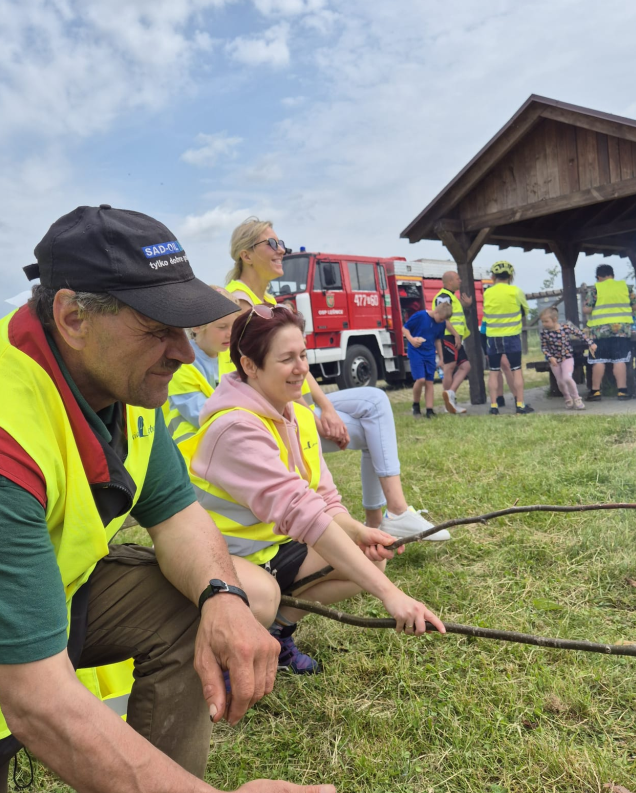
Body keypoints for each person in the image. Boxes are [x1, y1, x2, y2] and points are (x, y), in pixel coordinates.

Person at [0, 205, 340, 793]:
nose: (183, 352)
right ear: (72, 317)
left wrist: (223, 598)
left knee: (194, 600)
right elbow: (39, 703)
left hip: (39, 621)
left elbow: (176, 515)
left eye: (183, 326)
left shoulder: (121, 383)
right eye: (157, 328)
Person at [186, 303, 446, 676]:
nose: (301, 368)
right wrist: (391, 595)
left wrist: (358, 531)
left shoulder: (299, 415)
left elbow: (324, 501)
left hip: (273, 548)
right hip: (223, 556)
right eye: (286, 359)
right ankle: (224, 660)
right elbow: (304, 515)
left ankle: (277, 635)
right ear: (249, 366)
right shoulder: (235, 427)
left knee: (369, 557)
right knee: (262, 596)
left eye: (303, 355)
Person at [225, 217, 449, 542]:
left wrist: (326, 408)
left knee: (376, 399)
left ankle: (388, 517)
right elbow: (262, 382)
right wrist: (311, 417)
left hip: (294, 405)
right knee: (374, 428)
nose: (282, 250)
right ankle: (386, 519)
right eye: (272, 244)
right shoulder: (239, 304)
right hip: (269, 417)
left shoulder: (271, 303)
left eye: (281, 242)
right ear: (245, 254)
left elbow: (299, 367)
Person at [165, 287, 241, 452]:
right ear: (197, 326)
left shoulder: (232, 356)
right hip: (189, 451)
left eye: (233, 326)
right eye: (222, 327)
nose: (230, 333)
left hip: (224, 441)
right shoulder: (180, 363)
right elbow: (200, 413)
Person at [481, 261, 534, 415]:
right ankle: (520, 405)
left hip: (493, 337)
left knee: (493, 371)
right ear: (510, 276)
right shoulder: (516, 291)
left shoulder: (488, 293)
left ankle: (494, 406)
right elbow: (525, 310)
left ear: (493, 276)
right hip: (512, 336)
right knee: (516, 370)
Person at [582, 264, 636, 402]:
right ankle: (622, 391)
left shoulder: (595, 289)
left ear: (598, 277)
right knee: (620, 360)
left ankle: (595, 392)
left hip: (599, 331)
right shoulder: (626, 287)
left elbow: (587, 310)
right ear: (612, 275)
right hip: (621, 330)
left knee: (599, 360)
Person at [538, 306, 597, 410]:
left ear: (555, 319)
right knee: (560, 381)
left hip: (567, 358)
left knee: (567, 378)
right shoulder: (544, 332)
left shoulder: (565, 328)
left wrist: (590, 343)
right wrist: (550, 357)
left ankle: (577, 398)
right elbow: (544, 347)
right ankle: (567, 398)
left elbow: (580, 334)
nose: (544, 324)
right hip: (554, 361)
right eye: (542, 322)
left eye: (546, 321)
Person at [431, 270, 472, 414]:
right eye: (457, 278)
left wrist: (466, 305)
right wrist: (455, 335)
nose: (460, 281)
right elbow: (444, 318)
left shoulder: (451, 296)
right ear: (449, 282)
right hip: (448, 336)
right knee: (449, 368)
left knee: (465, 366)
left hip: (454, 337)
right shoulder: (443, 296)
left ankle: (450, 396)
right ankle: (449, 404)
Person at [403, 301, 452, 419]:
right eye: (440, 319)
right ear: (436, 312)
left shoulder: (441, 323)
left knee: (430, 381)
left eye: (443, 320)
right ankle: (416, 404)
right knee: (420, 379)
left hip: (430, 353)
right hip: (416, 352)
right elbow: (405, 328)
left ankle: (429, 410)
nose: (441, 321)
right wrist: (411, 339)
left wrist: (441, 358)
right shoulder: (420, 316)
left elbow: (438, 340)